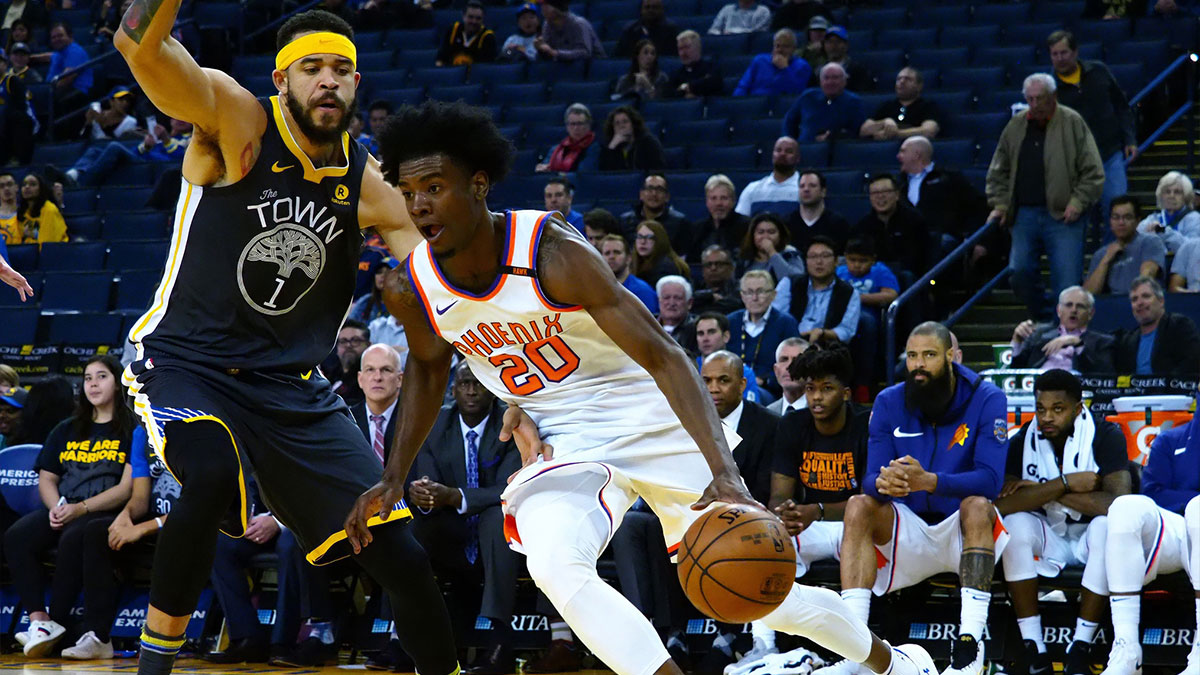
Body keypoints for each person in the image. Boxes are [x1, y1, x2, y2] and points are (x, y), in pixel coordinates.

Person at [364, 98, 936, 675]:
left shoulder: (550, 252)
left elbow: (665, 355)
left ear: (479, 184)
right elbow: (428, 370)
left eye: (434, 187)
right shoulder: (411, 286)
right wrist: (393, 477)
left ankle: (893, 664)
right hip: (567, 434)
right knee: (555, 564)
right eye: (407, 193)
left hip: (651, 413)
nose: (418, 206)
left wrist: (724, 470)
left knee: (755, 585)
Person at [110, 8, 541, 675]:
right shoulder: (237, 120)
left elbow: (444, 284)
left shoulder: (369, 185)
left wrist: (511, 374)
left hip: (291, 387)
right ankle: (152, 668)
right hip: (188, 360)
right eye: (312, 69)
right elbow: (141, 51)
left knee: (400, 553)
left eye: (341, 70)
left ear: (358, 82)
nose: (328, 82)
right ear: (282, 78)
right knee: (212, 468)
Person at [827, 322, 1009, 675]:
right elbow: (868, 479)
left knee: (978, 505)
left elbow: (990, 480)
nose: (919, 365)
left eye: (929, 355)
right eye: (912, 356)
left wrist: (930, 482)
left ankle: (969, 647)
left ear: (950, 357)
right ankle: (853, 648)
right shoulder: (889, 400)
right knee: (859, 505)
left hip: (961, 528)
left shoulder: (988, 397)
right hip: (907, 529)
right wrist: (885, 483)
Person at [996, 369, 1133, 675]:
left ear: (1078, 407)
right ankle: (1034, 648)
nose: (1047, 417)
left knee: (1107, 527)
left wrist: (1039, 489)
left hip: (1089, 535)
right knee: (1014, 525)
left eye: (1058, 409)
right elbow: (1004, 505)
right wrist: (1066, 483)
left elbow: (1117, 505)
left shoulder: (1106, 435)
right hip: (1050, 536)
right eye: (1041, 409)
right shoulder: (1023, 440)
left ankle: (1080, 648)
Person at [5, 355, 135, 657]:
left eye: (101, 376)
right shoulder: (66, 428)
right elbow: (47, 477)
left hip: (103, 510)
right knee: (17, 536)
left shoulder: (130, 428)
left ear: (117, 384)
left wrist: (82, 508)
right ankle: (39, 619)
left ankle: (60, 621)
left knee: (75, 535)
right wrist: (55, 508)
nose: (93, 384)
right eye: (88, 378)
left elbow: (126, 488)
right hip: (64, 507)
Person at [408, 361, 523, 675]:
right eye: (464, 383)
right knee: (415, 529)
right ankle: (407, 635)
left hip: (503, 531)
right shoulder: (436, 424)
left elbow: (508, 490)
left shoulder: (510, 423)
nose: (472, 390)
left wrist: (454, 496)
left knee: (493, 520)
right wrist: (426, 497)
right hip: (452, 531)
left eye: (478, 383)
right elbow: (426, 481)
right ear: (453, 389)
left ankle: (499, 642)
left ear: (492, 388)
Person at [759, 340, 862, 665]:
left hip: (856, 527)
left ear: (845, 393)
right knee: (765, 541)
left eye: (827, 388)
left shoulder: (865, 423)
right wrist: (784, 513)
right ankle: (762, 644)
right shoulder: (793, 424)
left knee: (864, 530)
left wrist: (816, 511)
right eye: (811, 388)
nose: (816, 397)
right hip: (811, 526)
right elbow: (780, 492)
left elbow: (872, 502)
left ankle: (857, 649)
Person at [985, 73, 1105, 320]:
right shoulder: (1016, 126)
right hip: (1023, 213)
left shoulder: (1072, 122)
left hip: (1064, 216)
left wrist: (1078, 201)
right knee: (1018, 272)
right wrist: (1000, 203)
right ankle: (1044, 318)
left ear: (1054, 97)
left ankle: (1064, 334)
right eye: (1030, 99)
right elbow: (998, 170)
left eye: (1040, 98)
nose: (1035, 104)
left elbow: (1093, 171)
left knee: (1067, 281)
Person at [1090, 415, 1200, 675]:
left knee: (1199, 509)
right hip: (1179, 528)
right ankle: (1127, 651)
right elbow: (1153, 493)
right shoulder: (1171, 439)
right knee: (1125, 506)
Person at [697, 349, 782, 673]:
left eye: (723, 380)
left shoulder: (768, 424)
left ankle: (731, 636)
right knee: (642, 525)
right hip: (696, 513)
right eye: (706, 381)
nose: (714, 388)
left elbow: (765, 488)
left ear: (742, 383)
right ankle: (669, 633)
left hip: (747, 517)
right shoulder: (690, 421)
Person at [1048, 30, 1137, 226]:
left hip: (1109, 153)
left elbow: (1122, 107)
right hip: (1076, 163)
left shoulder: (1099, 71)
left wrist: (1130, 139)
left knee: (1117, 211)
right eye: (1055, 54)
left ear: (1075, 52)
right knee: (1076, 217)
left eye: (1064, 53)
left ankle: (1112, 255)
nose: (1060, 58)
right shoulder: (1049, 87)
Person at [837, 237, 897, 393]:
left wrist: (856, 298)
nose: (857, 265)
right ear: (845, 257)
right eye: (852, 260)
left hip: (868, 319)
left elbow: (891, 294)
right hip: (841, 317)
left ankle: (863, 386)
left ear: (873, 260)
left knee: (866, 321)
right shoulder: (840, 272)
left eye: (863, 261)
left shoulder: (880, 271)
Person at [775, 236, 860, 346]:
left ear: (836, 261)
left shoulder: (849, 292)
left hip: (826, 348)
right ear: (806, 261)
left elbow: (847, 330)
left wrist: (823, 333)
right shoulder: (789, 283)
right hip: (788, 344)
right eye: (813, 256)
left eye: (825, 256)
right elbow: (775, 318)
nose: (819, 262)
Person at [1010, 286, 1115, 373]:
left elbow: (1104, 373)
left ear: (1091, 313)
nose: (1073, 310)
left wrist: (1077, 343)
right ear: (1059, 310)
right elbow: (1015, 368)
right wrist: (1017, 341)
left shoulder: (1103, 341)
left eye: (1080, 306)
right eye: (1069, 305)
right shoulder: (1038, 335)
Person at [66, 117, 193, 187]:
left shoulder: (190, 140)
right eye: (177, 116)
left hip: (150, 168)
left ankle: (81, 184)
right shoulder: (157, 136)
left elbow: (177, 161)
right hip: (138, 163)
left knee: (114, 147)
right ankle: (74, 174)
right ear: (170, 119)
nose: (180, 120)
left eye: (185, 117)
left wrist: (166, 140)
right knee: (94, 150)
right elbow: (134, 153)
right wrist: (145, 146)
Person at [1112, 276, 1200, 375]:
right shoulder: (1128, 340)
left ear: (1161, 301)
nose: (1139, 303)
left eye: (1146, 296)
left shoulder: (1180, 326)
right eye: (1134, 299)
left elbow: (1191, 364)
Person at [727, 269, 800, 388]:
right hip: (733, 387)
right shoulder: (731, 322)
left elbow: (794, 364)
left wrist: (765, 381)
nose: (755, 298)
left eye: (760, 292)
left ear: (773, 295)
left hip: (769, 389)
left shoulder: (786, 323)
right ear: (742, 296)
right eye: (749, 292)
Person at [1084, 195, 1165, 296]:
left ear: (1137, 220)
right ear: (1110, 221)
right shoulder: (1101, 254)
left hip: (1143, 301)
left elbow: (1146, 279)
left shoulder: (1150, 242)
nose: (1121, 222)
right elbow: (1088, 295)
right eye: (1116, 217)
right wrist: (1106, 260)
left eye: (1127, 217)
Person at [852, 174, 928, 276]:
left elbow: (922, 261)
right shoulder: (862, 227)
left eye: (885, 192)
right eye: (875, 193)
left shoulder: (915, 221)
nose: (880, 197)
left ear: (897, 195)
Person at [694, 312, 770, 405]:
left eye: (711, 332)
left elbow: (750, 410)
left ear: (726, 336)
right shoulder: (689, 368)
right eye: (700, 333)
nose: (705, 338)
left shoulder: (744, 372)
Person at [782, 63, 866, 143]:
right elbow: (789, 121)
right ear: (821, 82)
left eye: (835, 78)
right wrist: (789, 142)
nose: (830, 82)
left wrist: (834, 136)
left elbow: (858, 132)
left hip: (837, 150)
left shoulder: (853, 102)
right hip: (804, 149)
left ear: (844, 81)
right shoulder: (807, 96)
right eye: (826, 78)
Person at [859, 67, 941, 141]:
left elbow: (929, 131)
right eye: (899, 79)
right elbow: (864, 131)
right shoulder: (887, 105)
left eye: (908, 79)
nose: (902, 82)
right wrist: (885, 122)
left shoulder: (928, 105)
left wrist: (896, 134)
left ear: (919, 86)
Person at [620, 173, 689, 252]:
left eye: (659, 190)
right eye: (649, 189)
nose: (654, 194)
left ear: (667, 197)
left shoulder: (680, 223)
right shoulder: (625, 222)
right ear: (641, 195)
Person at [786, 170, 850, 254]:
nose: (806, 189)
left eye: (812, 186)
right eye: (802, 186)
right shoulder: (787, 223)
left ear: (823, 192)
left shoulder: (838, 224)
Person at [732, 28, 810, 97]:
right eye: (777, 46)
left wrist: (785, 69)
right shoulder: (759, 61)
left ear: (794, 49)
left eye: (785, 46)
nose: (780, 50)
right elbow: (742, 87)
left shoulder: (802, 66)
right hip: (756, 106)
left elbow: (796, 93)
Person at [736, 136, 801, 218]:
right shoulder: (752, 189)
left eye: (788, 151)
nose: (782, 154)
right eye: (778, 150)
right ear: (772, 155)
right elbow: (741, 223)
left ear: (798, 158)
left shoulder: (804, 189)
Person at [40, 22, 94, 121]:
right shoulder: (59, 53)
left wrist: (45, 91)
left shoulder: (75, 51)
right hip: (57, 92)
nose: (56, 39)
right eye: (53, 37)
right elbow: (47, 56)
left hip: (75, 95)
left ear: (70, 36)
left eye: (60, 36)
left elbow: (66, 80)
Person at [1136, 170, 1200, 253]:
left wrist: (1164, 231)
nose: (1171, 196)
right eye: (1167, 192)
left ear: (1186, 196)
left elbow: (1193, 249)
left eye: (1177, 192)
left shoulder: (1195, 219)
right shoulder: (1153, 218)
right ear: (1161, 196)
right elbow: (1135, 240)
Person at [689, 173, 750, 260]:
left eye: (724, 198)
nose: (718, 203)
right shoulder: (697, 229)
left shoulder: (747, 226)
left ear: (733, 201)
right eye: (713, 198)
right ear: (707, 202)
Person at [736, 212, 804, 280]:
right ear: (753, 235)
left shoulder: (790, 254)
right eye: (760, 232)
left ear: (780, 235)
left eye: (771, 232)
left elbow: (796, 280)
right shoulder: (743, 258)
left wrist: (772, 252)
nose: (766, 237)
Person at [602, 234, 658, 314]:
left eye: (617, 252)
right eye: (607, 253)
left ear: (628, 258)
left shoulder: (642, 290)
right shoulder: (598, 289)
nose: (611, 257)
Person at [599, 105, 666, 171]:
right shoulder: (610, 146)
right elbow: (605, 174)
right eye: (617, 123)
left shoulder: (649, 142)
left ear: (633, 124)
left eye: (625, 122)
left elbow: (658, 169)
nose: (621, 126)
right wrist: (612, 147)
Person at [536, 103, 596, 173]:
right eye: (572, 124)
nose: (576, 128)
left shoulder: (594, 148)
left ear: (588, 125)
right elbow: (545, 168)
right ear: (567, 127)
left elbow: (582, 174)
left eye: (580, 124)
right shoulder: (556, 149)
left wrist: (557, 173)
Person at [536, 0, 603, 63]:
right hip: (564, 67)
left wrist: (556, 53)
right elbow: (549, 53)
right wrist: (541, 49)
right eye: (542, 5)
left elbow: (585, 53)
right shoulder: (547, 25)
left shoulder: (579, 23)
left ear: (558, 8)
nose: (542, 8)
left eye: (546, 5)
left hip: (593, 67)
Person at [435, 1, 496, 67]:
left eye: (478, 18)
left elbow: (487, 67)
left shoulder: (488, 37)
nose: (474, 21)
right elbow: (440, 59)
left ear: (483, 19)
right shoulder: (453, 30)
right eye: (470, 17)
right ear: (463, 16)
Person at [0, 48, 34, 166]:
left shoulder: (12, 80)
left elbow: (22, 107)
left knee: (16, 118)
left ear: (5, 64)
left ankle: (14, 158)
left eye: (0, 62)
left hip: (18, 122)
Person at [631, 220, 688, 288]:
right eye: (639, 237)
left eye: (649, 238)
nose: (643, 242)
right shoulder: (635, 262)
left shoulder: (665, 268)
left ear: (660, 241)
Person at [667, 30, 721, 99]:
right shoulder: (675, 74)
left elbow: (714, 83)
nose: (683, 53)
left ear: (698, 48)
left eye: (687, 47)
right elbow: (669, 95)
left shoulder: (711, 68)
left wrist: (686, 87)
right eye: (680, 49)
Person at [17, 172, 67, 245]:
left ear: (41, 189)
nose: (27, 187)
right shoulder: (23, 211)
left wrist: (34, 236)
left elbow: (48, 245)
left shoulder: (49, 209)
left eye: (33, 184)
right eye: (24, 184)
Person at [693, 245, 744, 315]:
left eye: (719, 264)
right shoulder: (695, 287)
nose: (713, 268)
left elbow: (737, 303)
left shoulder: (740, 287)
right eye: (708, 264)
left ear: (731, 268)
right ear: (702, 270)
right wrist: (710, 296)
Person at [818, 26, 871, 92]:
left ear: (846, 45)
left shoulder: (857, 70)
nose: (833, 46)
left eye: (838, 42)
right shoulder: (819, 70)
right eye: (830, 42)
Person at [766, 337, 808, 415]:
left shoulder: (820, 412)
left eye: (797, 360)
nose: (789, 366)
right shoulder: (767, 414)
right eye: (784, 359)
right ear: (776, 370)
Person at [656, 275, 697, 354]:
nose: (672, 303)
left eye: (678, 298)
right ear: (659, 301)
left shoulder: (697, 328)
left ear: (689, 303)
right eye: (666, 297)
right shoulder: (647, 324)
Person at [0, 172, 19, 247]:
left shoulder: (26, 215)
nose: (6, 188)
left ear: (16, 187)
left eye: (9, 184)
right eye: (1, 186)